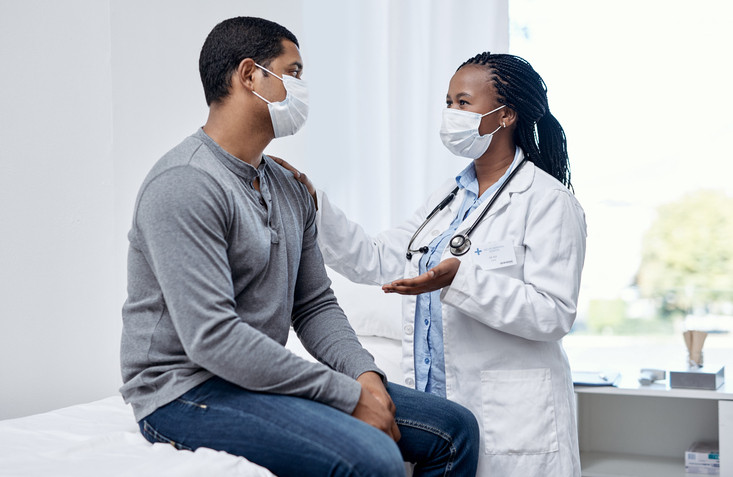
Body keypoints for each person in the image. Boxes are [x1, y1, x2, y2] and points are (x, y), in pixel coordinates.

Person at [119, 16, 480, 477]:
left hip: (251, 381)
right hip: (186, 391)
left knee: (455, 428)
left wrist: (365, 377)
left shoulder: (288, 188)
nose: (301, 87)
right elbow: (213, 339)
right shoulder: (186, 183)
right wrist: (347, 396)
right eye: (294, 73)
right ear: (250, 75)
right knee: (372, 458)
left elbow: (313, 304)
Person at [279, 52, 587, 476]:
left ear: (505, 116)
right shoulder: (448, 197)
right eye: (448, 103)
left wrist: (462, 280)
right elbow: (377, 257)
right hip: (441, 414)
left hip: (512, 421)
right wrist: (315, 204)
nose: (451, 114)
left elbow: (554, 314)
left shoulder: (549, 201)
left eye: (463, 103)